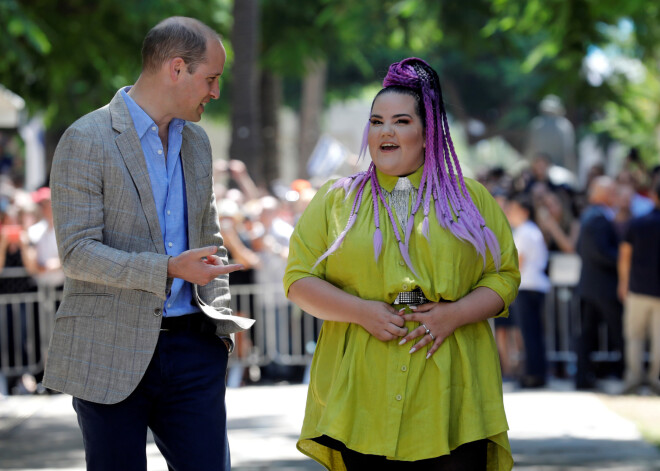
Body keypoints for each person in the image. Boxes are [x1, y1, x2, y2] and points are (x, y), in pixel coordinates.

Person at [285, 58, 520, 470]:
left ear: (428, 134)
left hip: (452, 394)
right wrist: (361, 312)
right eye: (376, 122)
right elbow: (298, 279)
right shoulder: (334, 200)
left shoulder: (472, 199)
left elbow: (503, 275)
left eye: (401, 121)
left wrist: (455, 314)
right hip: (362, 392)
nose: (386, 131)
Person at [42, 17, 254, 471]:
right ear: (177, 68)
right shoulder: (86, 138)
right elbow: (77, 252)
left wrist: (219, 329)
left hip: (194, 350)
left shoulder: (196, 142)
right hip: (108, 352)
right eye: (211, 79)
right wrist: (168, 269)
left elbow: (209, 237)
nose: (215, 92)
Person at [574, 176, 623, 390]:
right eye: (612, 191)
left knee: (589, 334)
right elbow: (600, 252)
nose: (616, 195)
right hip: (603, 287)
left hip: (590, 286)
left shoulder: (591, 216)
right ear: (600, 193)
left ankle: (585, 376)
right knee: (617, 332)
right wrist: (624, 260)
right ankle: (625, 373)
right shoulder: (598, 217)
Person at [617, 179, 660, 395]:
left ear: (653, 196)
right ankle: (655, 381)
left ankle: (633, 380)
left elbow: (625, 256)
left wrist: (623, 283)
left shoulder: (638, 223)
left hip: (638, 288)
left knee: (635, 337)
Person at [505, 193, 550, 388]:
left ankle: (533, 374)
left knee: (529, 333)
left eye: (513, 209)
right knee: (535, 333)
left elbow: (518, 262)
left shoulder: (524, 231)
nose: (509, 213)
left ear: (524, 211)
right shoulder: (532, 230)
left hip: (527, 285)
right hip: (536, 285)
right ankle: (537, 373)